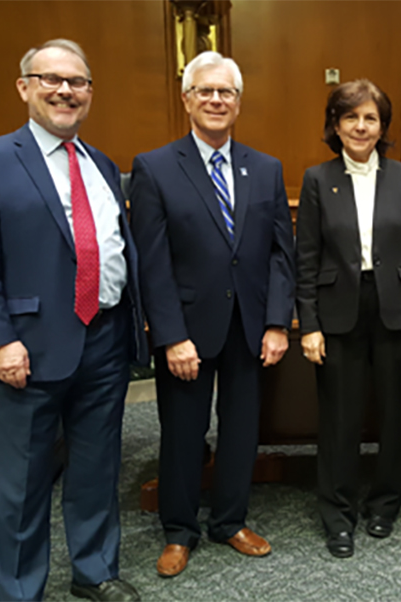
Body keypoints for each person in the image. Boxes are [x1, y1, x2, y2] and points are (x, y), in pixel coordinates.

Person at [0, 39, 147, 602]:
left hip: (103, 339)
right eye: (51, 79)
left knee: (95, 467)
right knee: (22, 482)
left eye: (78, 82)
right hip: (26, 348)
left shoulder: (102, 163)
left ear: (89, 93)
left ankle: (94, 570)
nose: (66, 90)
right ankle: (19, 590)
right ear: (25, 87)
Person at [129, 51, 295, 577]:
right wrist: (171, 335)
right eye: (206, 91)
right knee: (182, 431)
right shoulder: (154, 167)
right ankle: (179, 530)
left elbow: (279, 255)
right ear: (187, 99)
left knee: (242, 430)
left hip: (248, 326)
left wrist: (275, 322)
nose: (216, 100)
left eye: (226, 92)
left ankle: (229, 520)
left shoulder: (265, 168)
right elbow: (150, 263)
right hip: (187, 332)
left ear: (239, 102)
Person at [295, 79, 401, 558]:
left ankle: (385, 503)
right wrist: (309, 323)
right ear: (335, 125)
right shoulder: (318, 179)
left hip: (398, 307)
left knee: (396, 414)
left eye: (370, 118)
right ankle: (338, 513)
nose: (361, 126)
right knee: (340, 417)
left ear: (383, 126)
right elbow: (307, 258)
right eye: (350, 117)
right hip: (339, 313)